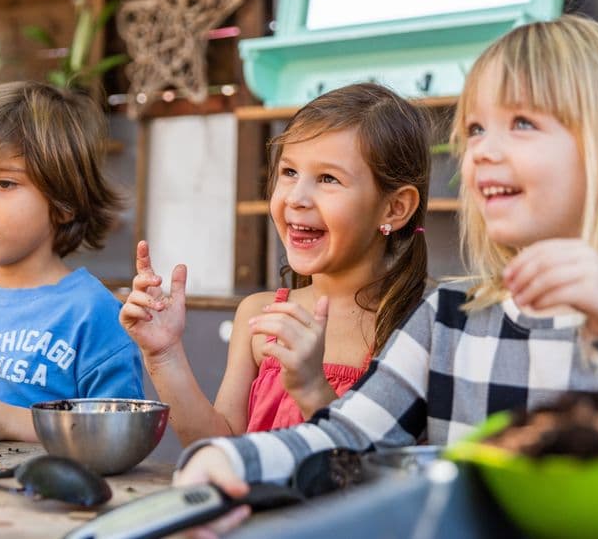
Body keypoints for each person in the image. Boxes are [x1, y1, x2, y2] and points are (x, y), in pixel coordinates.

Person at [172, 15, 598, 532]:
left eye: (520, 123)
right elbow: (350, 440)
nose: (483, 151)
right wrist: (224, 460)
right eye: (474, 130)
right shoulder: (448, 319)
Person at [119, 83, 430, 446]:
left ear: (395, 208)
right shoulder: (259, 316)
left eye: (328, 178)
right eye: (289, 172)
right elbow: (222, 446)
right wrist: (163, 353)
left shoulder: (422, 330)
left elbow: (395, 476)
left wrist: (314, 388)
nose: (296, 198)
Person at [0, 81, 144, 442]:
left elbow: (121, 437)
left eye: (3, 182)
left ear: (64, 201)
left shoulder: (94, 313)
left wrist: (6, 421)